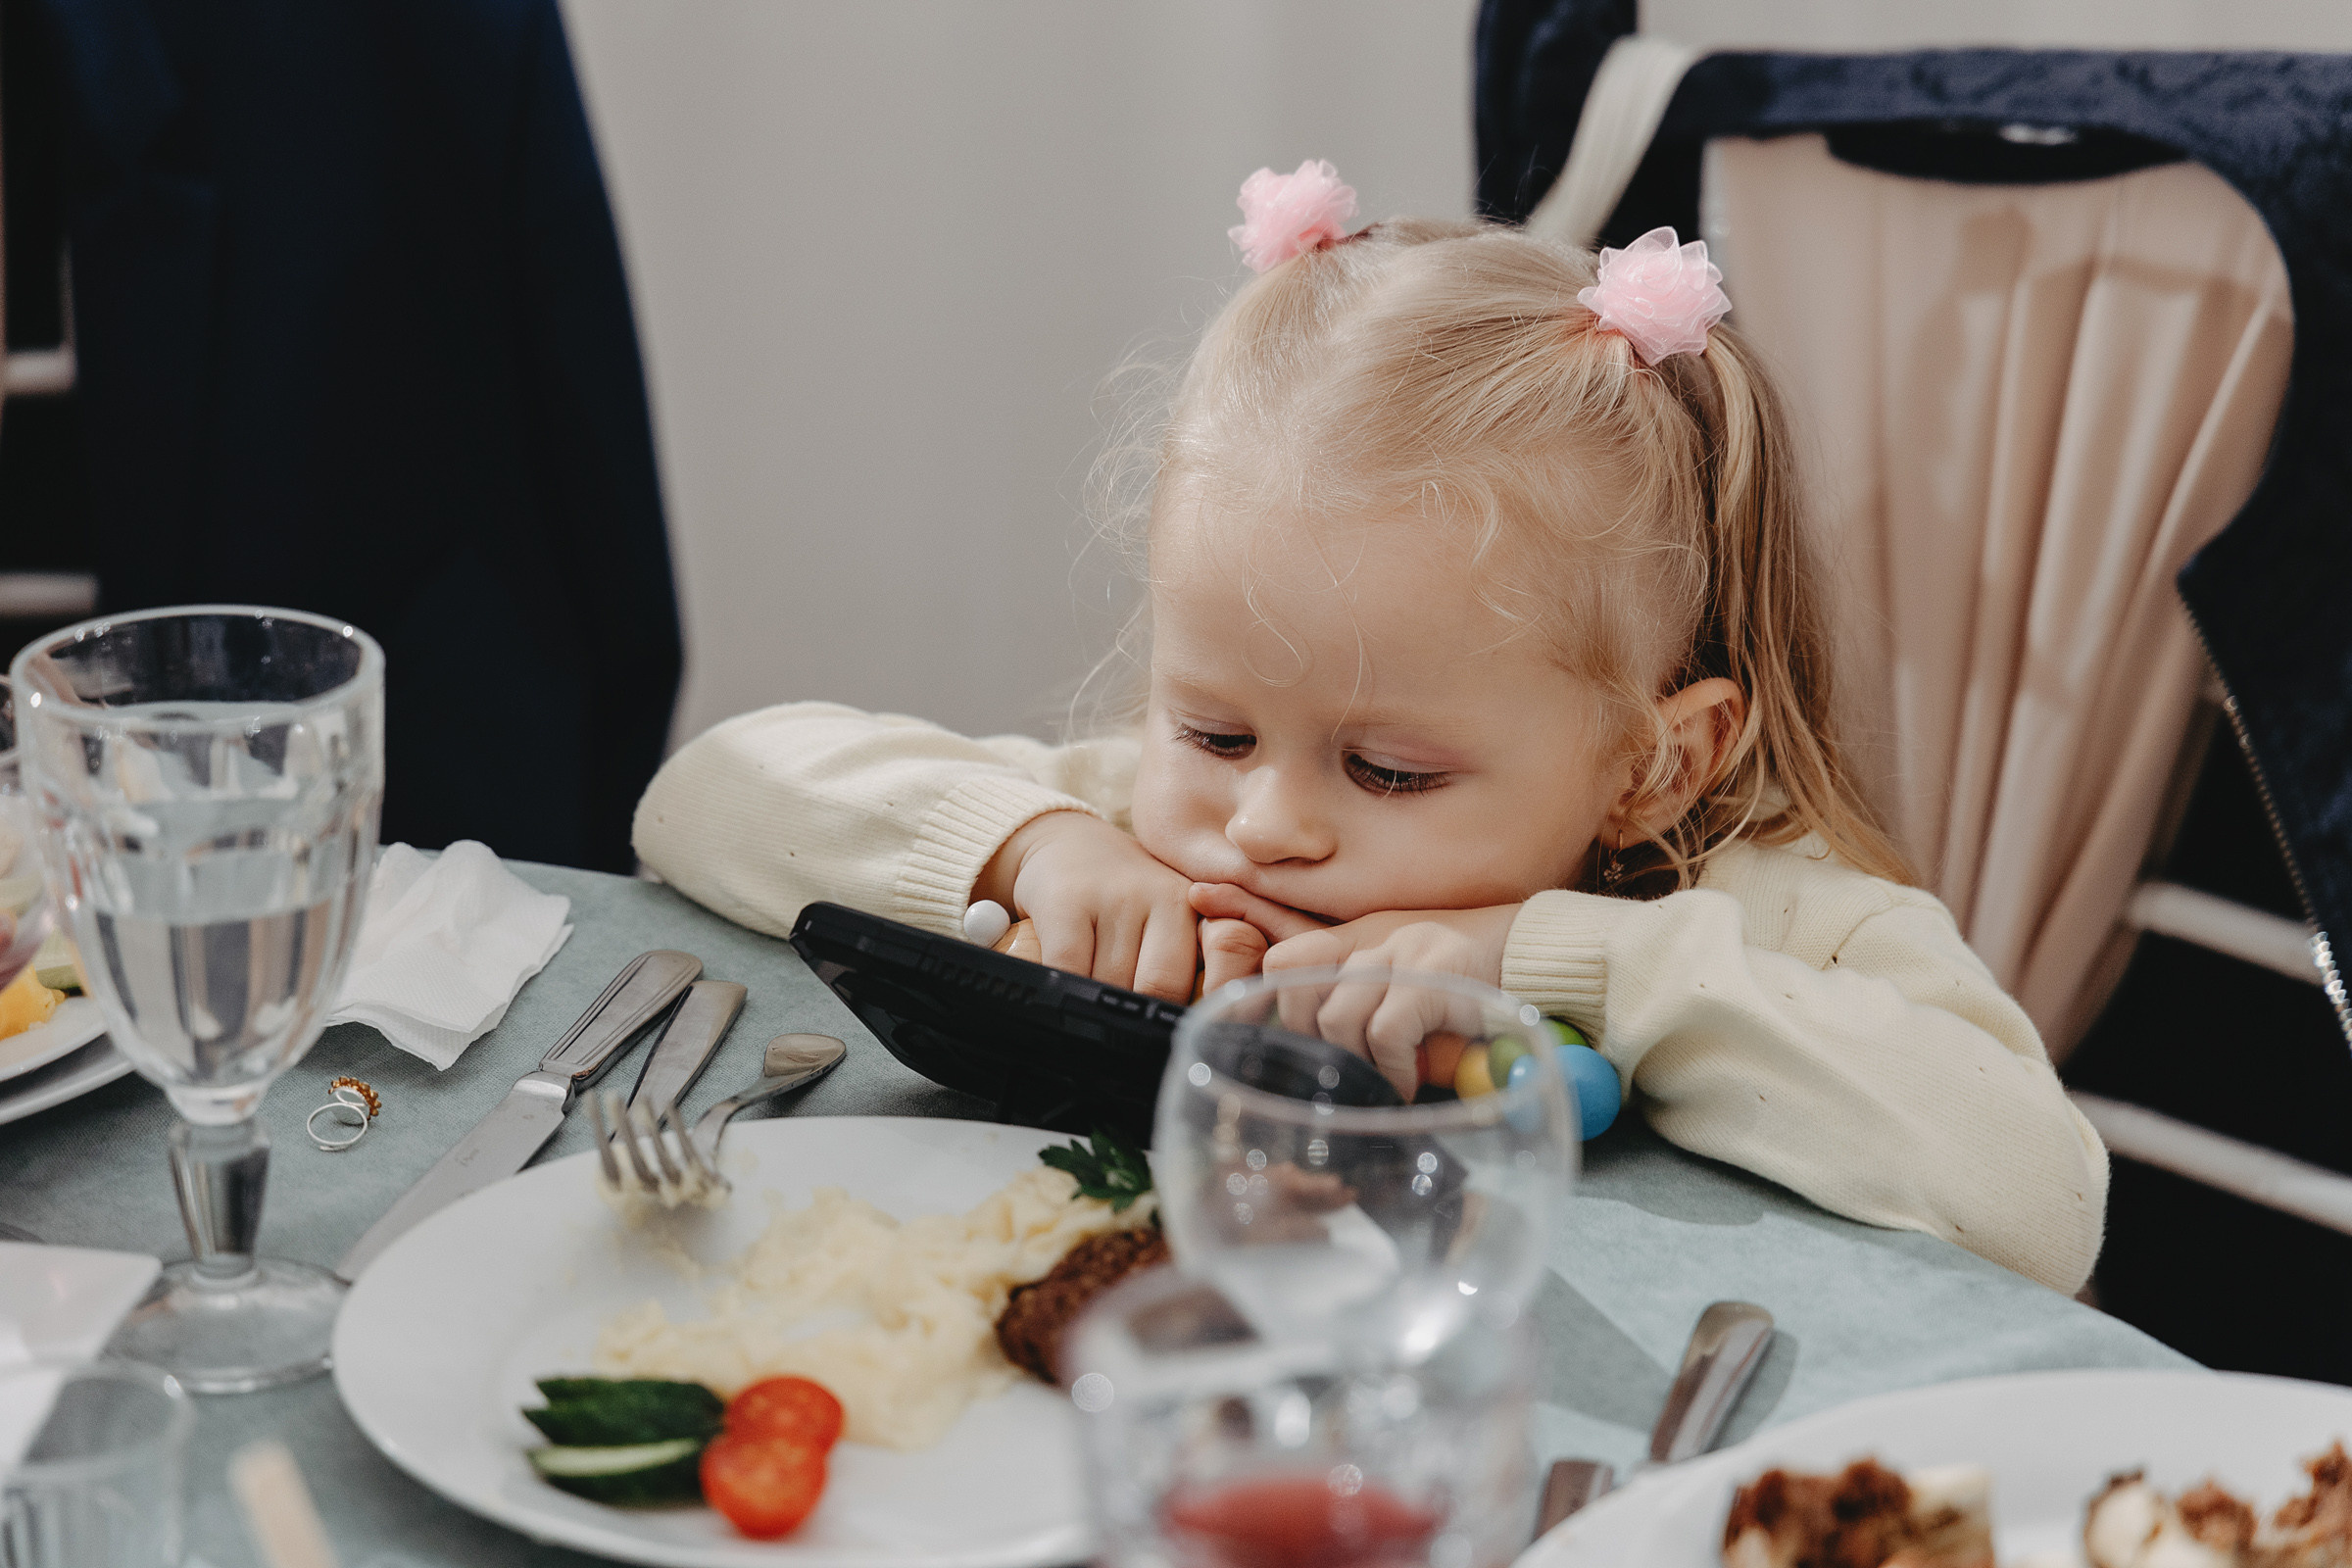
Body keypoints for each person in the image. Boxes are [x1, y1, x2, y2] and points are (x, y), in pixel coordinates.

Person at [634, 161, 2107, 1294]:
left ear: (1655, 765)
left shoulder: (1780, 926)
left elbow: (2039, 1202)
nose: (1266, 821)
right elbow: (705, 791)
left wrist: (1548, 957)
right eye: (1209, 731)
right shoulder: (1145, 845)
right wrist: (1030, 846)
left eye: (1388, 769)